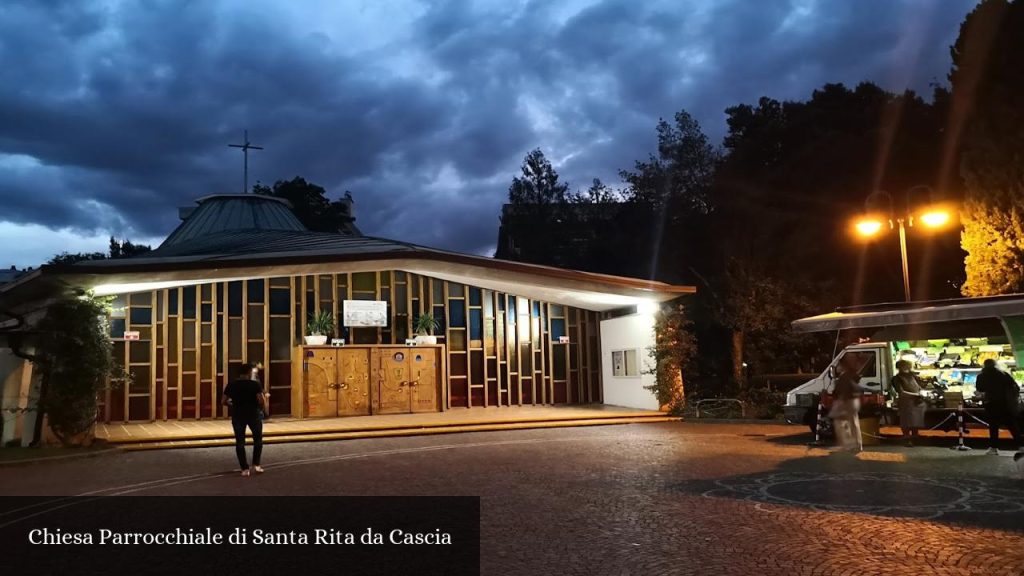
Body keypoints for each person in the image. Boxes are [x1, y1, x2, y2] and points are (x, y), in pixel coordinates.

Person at [222, 363, 267, 476]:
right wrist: (260, 409)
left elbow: (223, 401)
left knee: (240, 442)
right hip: (253, 414)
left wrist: (232, 405)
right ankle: (256, 465)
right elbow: (261, 401)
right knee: (257, 440)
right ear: (248, 372)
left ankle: (244, 469)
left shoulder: (231, 385)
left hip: (238, 415)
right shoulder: (255, 384)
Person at [976, 359, 1021, 455]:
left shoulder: (981, 376)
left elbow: (979, 388)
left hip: (991, 404)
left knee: (993, 426)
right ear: (995, 365)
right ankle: (1021, 446)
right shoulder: (1003, 374)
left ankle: (994, 448)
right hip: (1005, 404)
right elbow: (1015, 386)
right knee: (1012, 426)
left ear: (984, 365)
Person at [830, 356, 863, 453]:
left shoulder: (845, 376)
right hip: (853, 400)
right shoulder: (851, 375)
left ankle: (849, 445)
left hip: (847, 401)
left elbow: (843, 390)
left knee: (841, 423)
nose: (837, 367)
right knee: (853, 423)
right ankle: (857, 444)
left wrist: (841, 400)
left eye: (839, 365)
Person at [892, 360, 926, 447]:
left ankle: (915, 438)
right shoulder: (897, 378)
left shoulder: (912, 376)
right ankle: (907, 439)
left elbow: (919, 386)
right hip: (906, 402)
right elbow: (901, 392)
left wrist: (920, 392)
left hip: (916, 402)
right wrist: (916, 394)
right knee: (906, 422)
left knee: (916, 421)